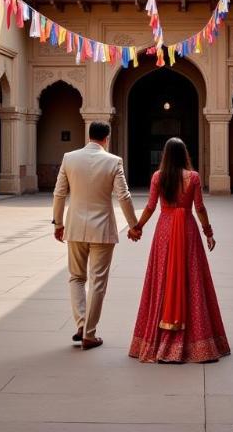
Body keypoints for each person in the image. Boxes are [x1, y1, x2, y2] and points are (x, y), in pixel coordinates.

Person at [129, 137, 230, 363]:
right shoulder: (192, 177)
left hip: (164, 230)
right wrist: (208, 232)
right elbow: (200, 207)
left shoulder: (158, 177)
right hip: (186, 229)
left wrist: (137, 227)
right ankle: (198, 343)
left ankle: (160, 340)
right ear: (184, 154)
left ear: (165, 155)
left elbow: (150, 206)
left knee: (163, 278)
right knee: (191, 278)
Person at [52, 120, 140, 351]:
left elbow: (59, 193)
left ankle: (82, 324)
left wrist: (58, 223)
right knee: (98, 281)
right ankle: (89, 334)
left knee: (76, 277)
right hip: (102, 229)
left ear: (89, 135)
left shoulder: (69, 158)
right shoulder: (113, 162)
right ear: (106, 138)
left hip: (75, 227)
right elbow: (124, 196)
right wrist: (134, 225)